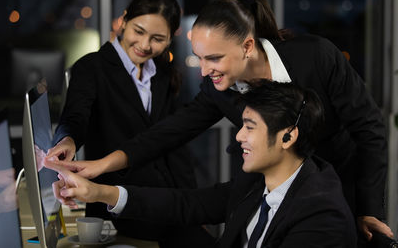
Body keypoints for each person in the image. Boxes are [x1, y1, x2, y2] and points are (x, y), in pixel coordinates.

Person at [47, 0, 393, 245]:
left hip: (336, 193)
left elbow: (369, 130)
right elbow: (168, 133)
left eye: (213, 58)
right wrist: (99, 168)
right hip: (271, 192)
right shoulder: (221, 89)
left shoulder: (315, 57)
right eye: (199, 57)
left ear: (246, 47)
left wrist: (368, 208)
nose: (204, 68)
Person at [45, 80, 357, 247]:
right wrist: (99, 193)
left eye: (250, 127)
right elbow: (187, 203)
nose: (238, 138)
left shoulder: (321, 218)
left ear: (288, 138)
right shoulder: (260, 182)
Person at [47, 0, 214, 247]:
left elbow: (174, 144)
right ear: (124, 21)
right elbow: (76, 116)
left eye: (158, 38)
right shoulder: (91, 67)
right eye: (139, 31)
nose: (146, 45)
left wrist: (193, 206)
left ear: (171, 38)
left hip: (167, 204)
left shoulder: (162, 72)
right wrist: (66, 140)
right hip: (118, 207)